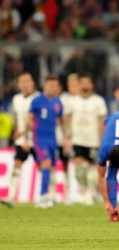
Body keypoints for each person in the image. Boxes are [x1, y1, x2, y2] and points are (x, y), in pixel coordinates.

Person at [64, 74, 107, 205]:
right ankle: (83, 191)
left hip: (93, 140)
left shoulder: (98, 101)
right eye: (82, 82)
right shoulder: (72, 101)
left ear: (92, 85)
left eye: (87, 82)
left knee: (90, 168)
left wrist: (102, 139)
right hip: (77, 139)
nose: (85, 85)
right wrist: (67, 136)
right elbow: (67, 118)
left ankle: (89, 193)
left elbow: (102, 121)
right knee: (79, 169)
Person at [1, 72, 40, 208]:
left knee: (43, 167)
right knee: (17, 164)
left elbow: (38, 121)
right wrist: (18, 132)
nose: (25, 84)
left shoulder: (39, 98)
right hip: (21, 139)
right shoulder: (16, 99)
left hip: (37, 139)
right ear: (18, 85)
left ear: (33, 82)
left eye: (27, 81)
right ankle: (11, 195)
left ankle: (47, 195)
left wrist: (27, 138)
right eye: (22, 81)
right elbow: (18, 118)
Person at [26, 74, 63, 208]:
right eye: (50, 85)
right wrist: (26, 132)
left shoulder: (58, 102)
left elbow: (60, 121)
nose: (52, 88)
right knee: (46, 163)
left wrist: (66, 138)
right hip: (39, 138)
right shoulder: (37, 101)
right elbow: (28, 118)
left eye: (55, 86)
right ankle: (42, 196)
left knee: (51, 166)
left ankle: (50, 195)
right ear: (44, 86)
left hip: (52, 138)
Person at [53, 74, 79, 204]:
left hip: (80, 138)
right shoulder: (64, 99)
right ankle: (63, 193)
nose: (73, 87)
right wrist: (66, 136)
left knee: (82, 165)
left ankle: (86, 191)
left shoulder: (82, 100)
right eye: (71, 85)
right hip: (63, 137)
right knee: (64, 165)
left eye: (75, 84)